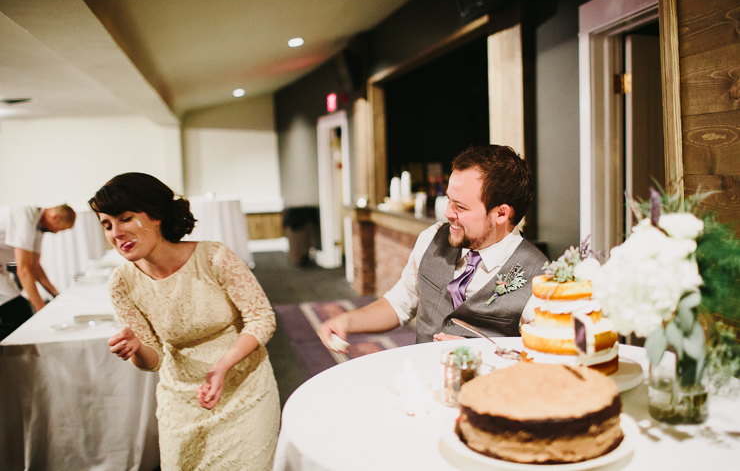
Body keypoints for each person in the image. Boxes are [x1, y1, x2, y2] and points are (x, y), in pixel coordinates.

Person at [88, 173, 280, 471]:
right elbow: (153, 361)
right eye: (107, 224)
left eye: (125, 218)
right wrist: (138, 347)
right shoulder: (121, 283)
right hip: (181, 402)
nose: (116, 233)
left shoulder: (214, 257)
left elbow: (261, 319)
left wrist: (222, 365)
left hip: (245, 390)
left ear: (156, 217)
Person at [319, 145, 548, 350]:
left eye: (460, 207)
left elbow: (547, 359)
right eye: (449, 200)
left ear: (501, 213)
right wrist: (347, 321)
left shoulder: (541, 277)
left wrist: (486, 352)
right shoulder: (432, 238)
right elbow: (400, 302)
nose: (448, 213)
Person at [0, 204, 75, 340]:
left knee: (19, 312)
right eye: (60, 229)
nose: (57, 232)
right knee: (17, 313)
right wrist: (42, 311)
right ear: (55, 217)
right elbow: (23, 270)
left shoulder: (38, 226)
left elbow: (35, 267)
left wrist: (56, 295)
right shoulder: (25, 215)